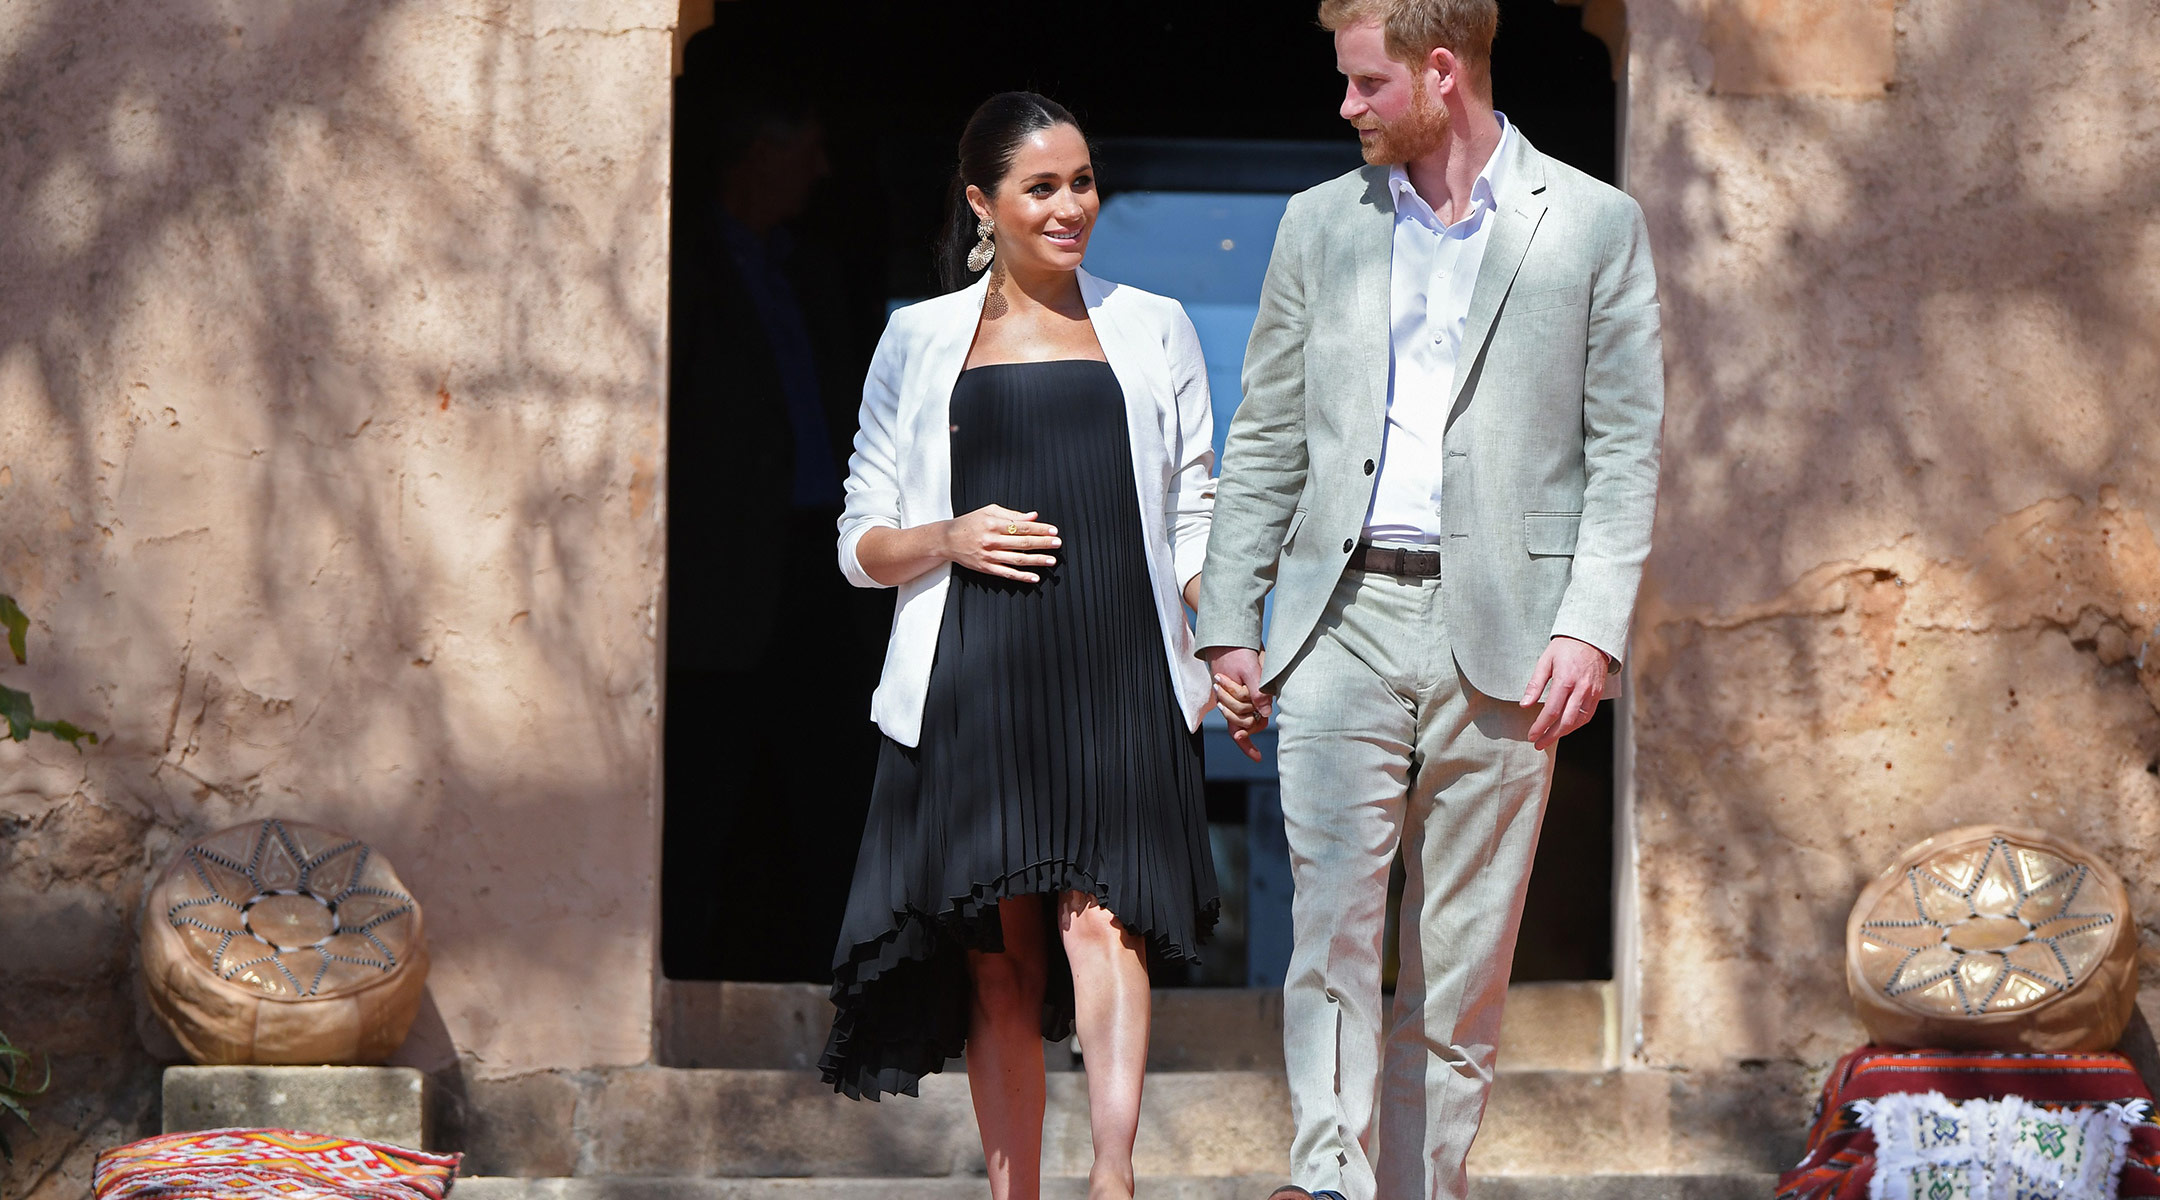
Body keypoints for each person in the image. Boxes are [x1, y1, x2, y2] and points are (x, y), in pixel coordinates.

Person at [1196, 2, 1666, 1198]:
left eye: (1365, 84)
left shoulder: (1595, 226)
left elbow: (1625, 450)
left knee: (1460, 969)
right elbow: (1264, 441)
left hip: (1511, 635)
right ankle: (1331, 1181)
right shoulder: (1318, 225)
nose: (1346, 106)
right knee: (1333, 938)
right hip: (1340, 619)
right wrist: (1229, 624)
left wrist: (1591, 626)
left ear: (1439, 72)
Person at [819, 92, 1222, 1200]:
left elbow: (1196, 510)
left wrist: (1225, 633)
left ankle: (1112, 1177)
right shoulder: (919, 337)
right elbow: (858, 541)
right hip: (977, 679)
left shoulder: (1155, 324)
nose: (1070, 205)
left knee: (1108, 923)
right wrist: (948, 535)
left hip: (1119, 666)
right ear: (982, 205)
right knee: (1001, 968)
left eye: (1083, 181)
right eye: (1042, 187)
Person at [663, 50, 887, 982]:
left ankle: (836, 987)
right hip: (718, 581)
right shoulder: (683, 261)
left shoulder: (812, 275)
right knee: (704, 792)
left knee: (829, 783)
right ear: (759, 148)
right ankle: (683, 969)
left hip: (817, 569)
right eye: (808, 146)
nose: (822, 168)